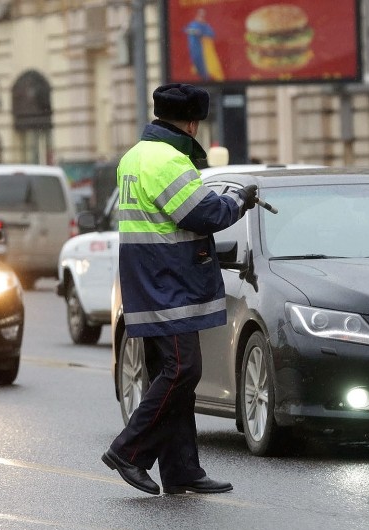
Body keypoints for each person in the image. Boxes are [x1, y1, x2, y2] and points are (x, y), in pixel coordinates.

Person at [102, 83, 257, 495]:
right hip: (169, 284)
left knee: (173, 377)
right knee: (182, 371)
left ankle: (181, 469)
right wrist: (238, 200)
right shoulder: (169, 160)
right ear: (191, 123)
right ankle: (128, 450)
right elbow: (200, 213)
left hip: (147, 281)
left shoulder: (135, 156)